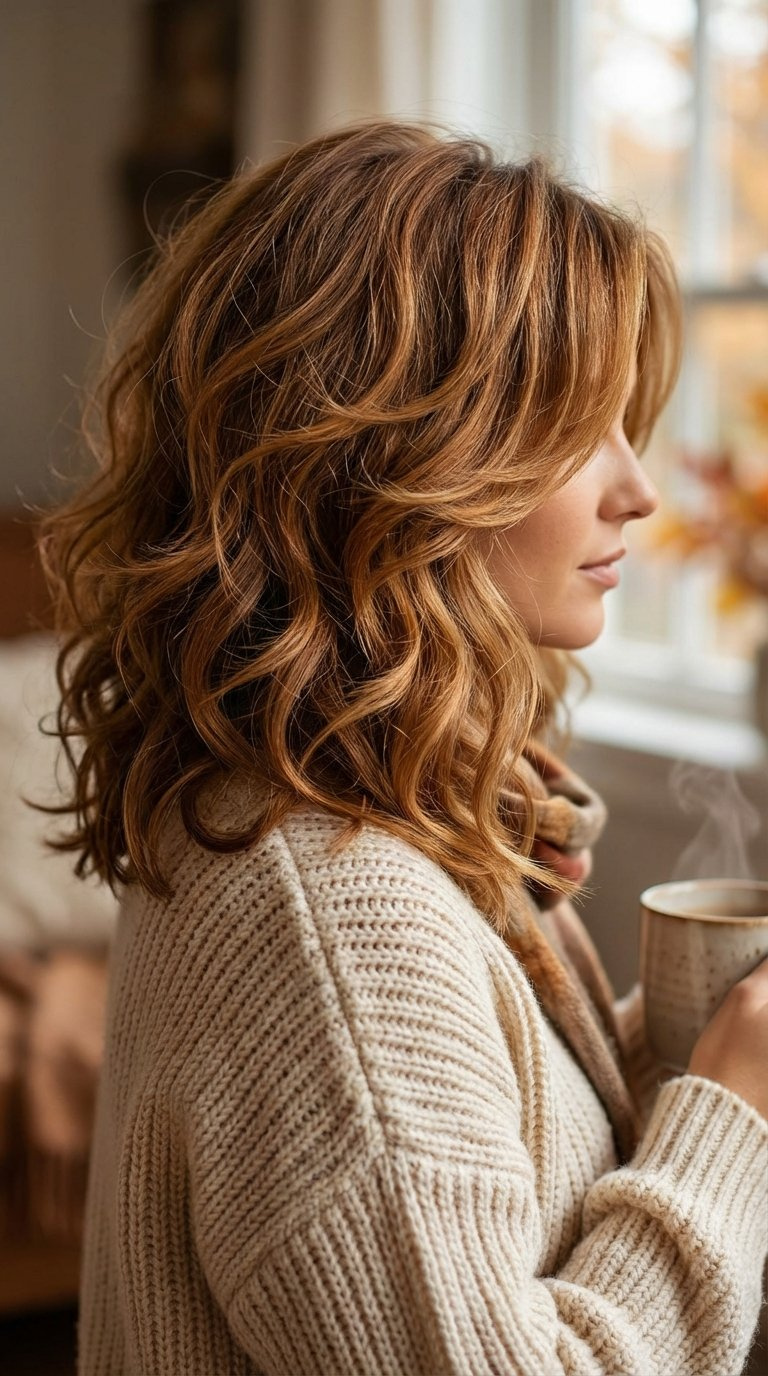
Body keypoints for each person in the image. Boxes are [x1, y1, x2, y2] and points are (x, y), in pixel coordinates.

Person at [35, 119, 768, 1376]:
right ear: (394, 461)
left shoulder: (344, 797)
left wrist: (701, 1041)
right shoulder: (330, 913)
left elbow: (482, 1173)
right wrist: (733, 1116)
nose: (638, 491)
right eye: (576, 432)